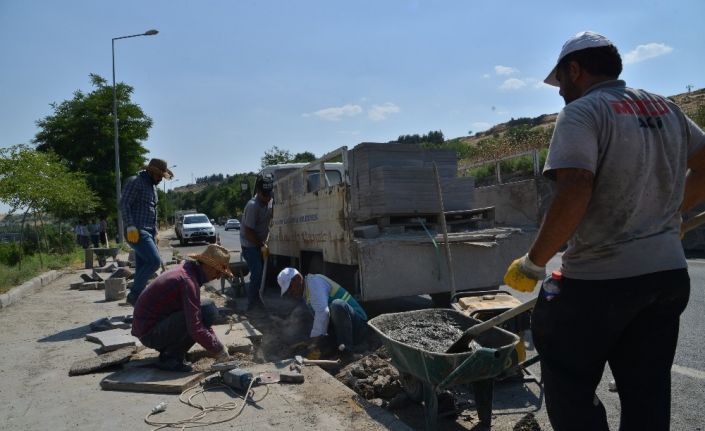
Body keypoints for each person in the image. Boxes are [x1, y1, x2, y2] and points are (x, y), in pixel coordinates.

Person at [503, 31, 705, 431]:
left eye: (561, 81)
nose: (560, 92)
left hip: (601, 282)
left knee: (567, 379)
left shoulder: (582, 112)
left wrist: (533, 262)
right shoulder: (665, 108)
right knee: (647, 392)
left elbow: (576, 187)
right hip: (667, 278)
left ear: (575, 70)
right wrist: (674, 214)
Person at [131, 244, 232, 372]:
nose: (218, 277)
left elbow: (197, 317)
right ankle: (170, 358)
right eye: (218, 272)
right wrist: (218, 349)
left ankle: (171, 352)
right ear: (208, 266)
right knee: (208, 311)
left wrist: (217, 344)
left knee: (207, 310)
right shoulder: (188, 281)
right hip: (150, 333)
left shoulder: (188, 271)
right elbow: (195, 327)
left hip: (151, 327)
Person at [277, 267, 368, 361]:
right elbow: (321, 322)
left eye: (290, 288)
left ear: (298, 279)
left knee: (337, 305)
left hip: (358, 327)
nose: (290, 292)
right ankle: (335, 351)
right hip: (346, 328)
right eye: (287, 291)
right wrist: (310, 344)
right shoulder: (306, 292)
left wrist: (313, 343)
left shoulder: (315, 284)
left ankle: (347, 354)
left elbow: (323, 313)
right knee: (322, 336)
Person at [120, 158, 174, 305]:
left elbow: (152, 212)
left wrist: (155, 233)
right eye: (159, 176)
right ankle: (134, 295)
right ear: (151, 171)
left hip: (148, 232)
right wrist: (130, 225)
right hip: (136, 230)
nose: (160, 179)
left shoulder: (152, 187)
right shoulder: (135, 181)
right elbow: (124, 204)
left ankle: (139, 302)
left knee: (142, 267)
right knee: (154, 262)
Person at [240, 175, 273, 310]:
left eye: (269, 194)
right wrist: (262, 245)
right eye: (264, 194)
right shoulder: (253, 206)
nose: (267, 197)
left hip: (259, 243)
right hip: (249, 244)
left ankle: (257, 298)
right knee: (257, 272)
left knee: (262, 274)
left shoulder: (270, 201)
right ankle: (251, 304)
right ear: (258, 192)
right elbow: (249, 232)